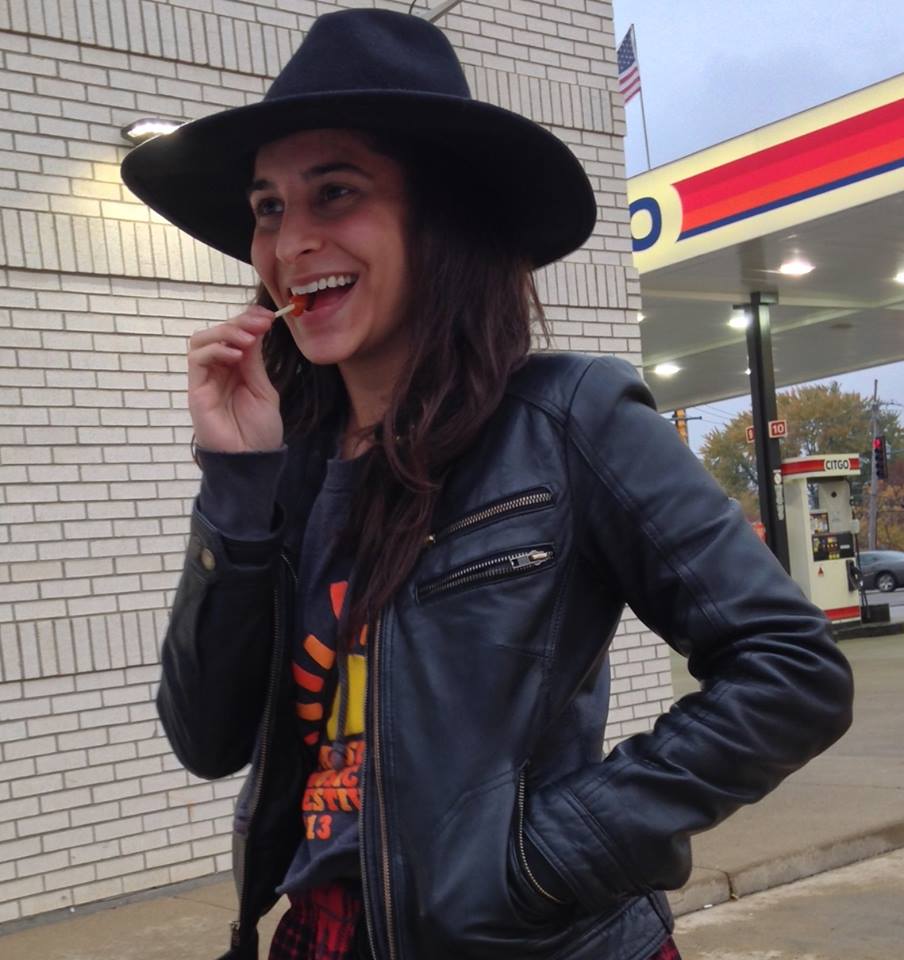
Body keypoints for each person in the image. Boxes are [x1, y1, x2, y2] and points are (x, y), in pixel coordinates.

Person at [121, 9, 853, 960]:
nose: (289, 241)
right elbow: (206, 738)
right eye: (268, 207)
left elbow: (792, 669)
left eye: (335, 192)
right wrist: (236, 483)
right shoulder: (286, 466)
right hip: (324, 937)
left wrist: (541, 861)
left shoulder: (568, 419)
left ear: (442, 217)